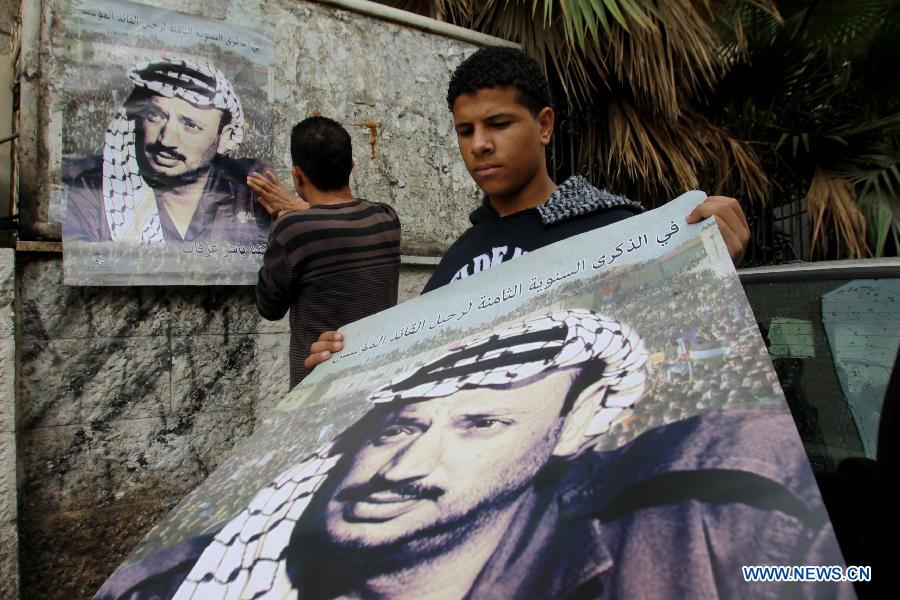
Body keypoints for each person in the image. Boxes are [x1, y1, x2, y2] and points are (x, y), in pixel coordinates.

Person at [95, 310, 849, 599]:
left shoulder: (716, 517)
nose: (404, 467)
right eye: (396, 427)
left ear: (576, 421)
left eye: (480, 423)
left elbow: (828, 572)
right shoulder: (184, 582)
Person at [303, 46, 751, 372]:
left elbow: (681, 349)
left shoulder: (618, 233)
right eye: (465, 130)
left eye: (498, 124)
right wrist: (346, 361)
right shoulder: (456, 261)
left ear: (543, 125)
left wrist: (709, 271)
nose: (479, 144)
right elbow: (413, 373)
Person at [253, 116, 401, 387]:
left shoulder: (292, 230)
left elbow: (269, 307)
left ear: (297, 174)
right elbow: (339, 222)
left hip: (319, 383)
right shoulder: (386, 218)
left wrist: (287, 216)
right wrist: (300, 208)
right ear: (352, 167)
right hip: (379, 376)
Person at [62, 58, 272, 246]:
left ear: (223, 137)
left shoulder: (248, 195)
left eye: (190, 125)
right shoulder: (97, 193)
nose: (166, 140)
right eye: (155, 116)